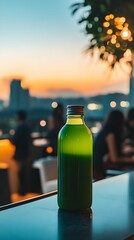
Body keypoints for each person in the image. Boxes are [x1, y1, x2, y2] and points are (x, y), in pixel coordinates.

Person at [93, 110, 134, 180]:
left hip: (98, 167)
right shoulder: (110, 135)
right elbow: (114, 159)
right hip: (99, 171)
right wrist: (131, 159)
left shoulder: (105, 131)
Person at [9, 110, 31, 195]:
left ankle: (21, 192)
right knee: (23, 172)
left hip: (20, 154)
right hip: (25, 153)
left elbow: (14, 141)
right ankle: (23, 191)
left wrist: (11, 137)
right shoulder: (27, 127)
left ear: (19, 117)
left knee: (20, 172)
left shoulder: (20, 127)